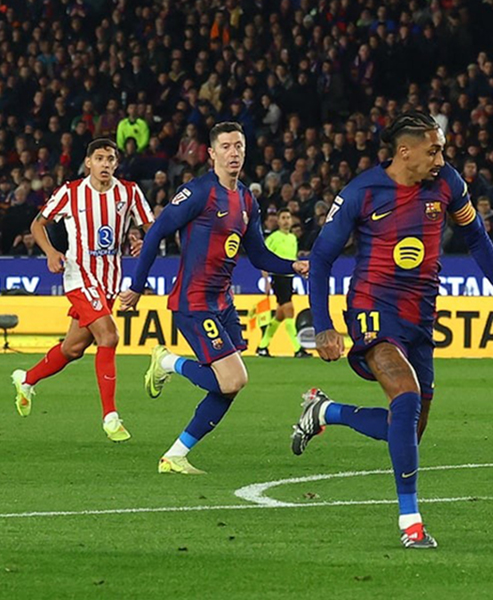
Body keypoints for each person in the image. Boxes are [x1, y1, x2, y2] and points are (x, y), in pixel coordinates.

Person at [290, 111, 493, 549]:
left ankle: (326, 412)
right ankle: (411, 522)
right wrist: (322, 326)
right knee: (407, 395)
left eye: (441, 150)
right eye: (433, 150)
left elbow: (476, 237)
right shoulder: (361, 192)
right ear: (405, 151)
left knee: (410, 428)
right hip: (371, 309)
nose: (441, 158)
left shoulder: (448, 183)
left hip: (420, 315)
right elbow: (321, 258)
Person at [119, 122, 307, 474]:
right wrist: (136, 284)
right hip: (193, 302)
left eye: (239, 145)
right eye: (226, 147)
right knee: (233, 379)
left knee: (230, 386)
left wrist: (294, 266)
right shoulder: (198, 192)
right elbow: (158, 230)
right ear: (212, 153)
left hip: (222, 303)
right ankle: (166, 363)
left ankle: (175, 455)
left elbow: (261, 255)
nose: (234, 152)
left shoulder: (247, 200)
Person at [11, 138, 154, 442]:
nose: (106, 164)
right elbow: (38, 224)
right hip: (79, 276)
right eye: (100, 158)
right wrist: (50, 252)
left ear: (116, 163)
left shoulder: (129, 192)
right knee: (109, 336)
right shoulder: (71, 192)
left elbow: (150, 227)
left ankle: (26, 379)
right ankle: (110, 417)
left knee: (73, 348)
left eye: (111, 159)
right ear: (88, 162)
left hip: (110, 281)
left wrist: (144, 242)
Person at [256, 208, 309, 358]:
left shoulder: (293, 238)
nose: (286, 220)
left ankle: (262, 347)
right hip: (278, 277)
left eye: (288, 217)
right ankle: (298, 348)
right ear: (278, 221)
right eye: (283, 217)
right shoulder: (273, 238)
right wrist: (266, 280)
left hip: (290, 278)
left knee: (280, 315)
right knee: (289, 310)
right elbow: (263, 259)